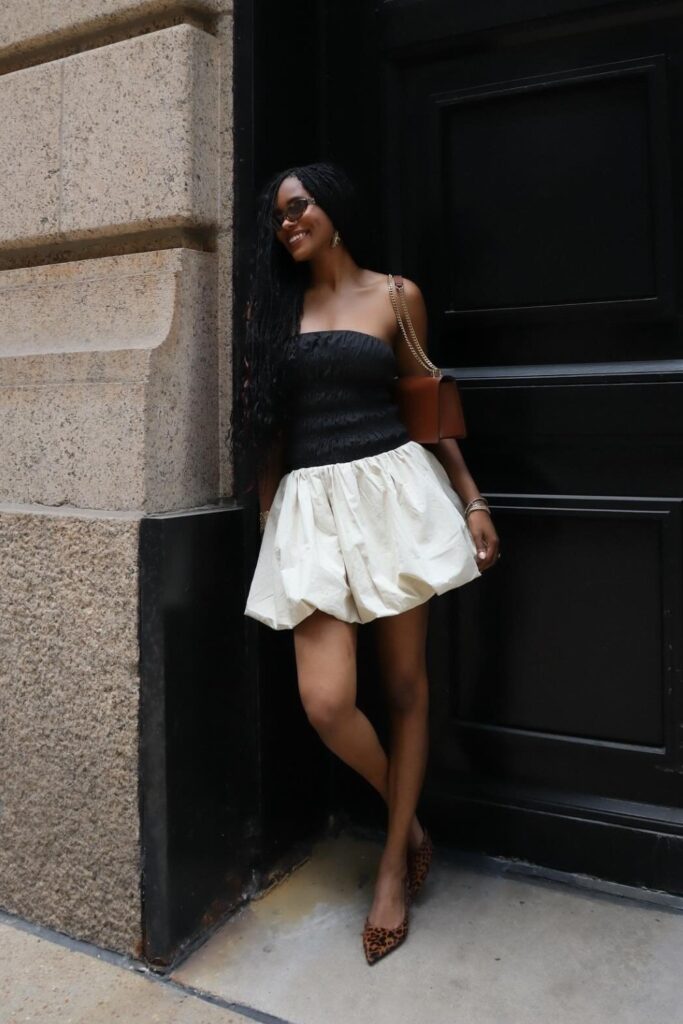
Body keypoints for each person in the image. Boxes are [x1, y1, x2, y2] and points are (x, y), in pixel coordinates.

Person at [231, 160, 499, 964]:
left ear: (333, 209)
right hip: (309, 512)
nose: (286, 224)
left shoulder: (394, 296)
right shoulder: (275, 309)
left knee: (407, 687)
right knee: (326, 702)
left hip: (391, 496)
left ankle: (391, 870)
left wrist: (472, 497)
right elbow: (270, 434)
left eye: (298, 208)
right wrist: (268, 514)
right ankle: (406, 820)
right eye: (277, 216)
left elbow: (427, 403)